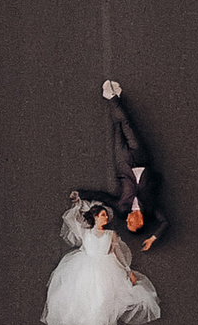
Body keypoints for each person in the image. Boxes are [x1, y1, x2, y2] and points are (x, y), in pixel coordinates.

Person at [43, 200, 161, 325]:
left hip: (106, 268)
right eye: (103, 215)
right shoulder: (85, 232)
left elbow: (117, 254)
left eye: (105, 215)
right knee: (85, 298)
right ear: (96, 217)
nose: (106, 218)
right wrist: (78, 205)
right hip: (85, 267)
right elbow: (71, 220)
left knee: (102, 299)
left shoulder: (110, 235)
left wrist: (127, 270)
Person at [70, 79, 166, 251]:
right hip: (141, 158)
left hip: (123, 162)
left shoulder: (122, 207)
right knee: (128, 125)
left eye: (127, 223)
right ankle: (112, 97)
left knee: (117, 129)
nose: (127, 220)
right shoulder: (152, 209)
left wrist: (81, 194)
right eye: (131, 223)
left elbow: (104, 197)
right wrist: (152, 238)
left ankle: (115, 99)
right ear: (140, 223)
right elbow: (166, 223)